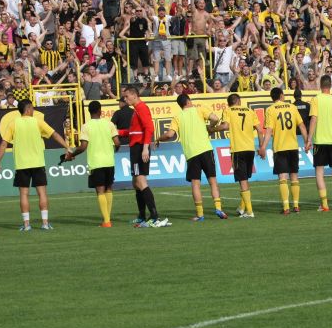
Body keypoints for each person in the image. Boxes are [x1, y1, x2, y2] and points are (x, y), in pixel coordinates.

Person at [0, 99, 71, 230]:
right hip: (37, 163)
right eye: (32, 108)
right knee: (42, 193)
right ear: (28, 109)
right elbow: (54, 135)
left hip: (22, 164)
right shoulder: (37, 121)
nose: (33, 110)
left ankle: (26, 225)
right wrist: (67, 147)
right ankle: (45, 223)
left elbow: (3, 144)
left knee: (23, 194)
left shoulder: (13, 123)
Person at [157, 94, 226, 221]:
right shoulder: (199, 109)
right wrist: (210, 127)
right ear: (188, 101)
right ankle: (219, 209)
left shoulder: (177, 117)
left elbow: (169, 135)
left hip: (192, 153)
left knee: (195, 184)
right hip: (206, 149)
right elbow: (215, 118)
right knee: (212, 180)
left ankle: (200, 214)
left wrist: (158, 139)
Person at [66, 101, 122, 227]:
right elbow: (117, 143)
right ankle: (107, 218)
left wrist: (72, 155)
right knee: (108, 189)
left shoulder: (86, 126)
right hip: (109, 161)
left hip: (96, 162)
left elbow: (83, 147)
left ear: (89, 112)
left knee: (100, 191)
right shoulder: (109, 124)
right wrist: (113, 151)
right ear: (100, 111)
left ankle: (106, 221)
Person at [119, 87, 166, 227]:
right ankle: (141, 216)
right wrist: (118, 132)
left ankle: (154, 216)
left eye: (126, 96)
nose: (125, 99)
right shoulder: (136, 110)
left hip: (139, 148)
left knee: (140, 181)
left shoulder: (142, 108)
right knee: (136, 183)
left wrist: (145, 148)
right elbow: (134, 131)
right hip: (136, 147)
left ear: (134, 95)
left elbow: (149, 128)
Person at [258, 87, 310, 214]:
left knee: (282, 177)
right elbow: (302, 126)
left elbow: (269, 130)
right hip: (293, 146)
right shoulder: (292, 107)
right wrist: (307, 141)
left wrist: (263, 147)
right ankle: (296, 206)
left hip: (280, 147)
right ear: (282, 95)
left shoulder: (270, 110)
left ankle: (286, 207)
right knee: (294, 176)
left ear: (272, 98)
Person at [213, 93, 264, 218]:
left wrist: (211, 129)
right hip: (250, 148)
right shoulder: (249, 111)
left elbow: (225, 126)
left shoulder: (228, 110)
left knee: (242, 180)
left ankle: (249, 212)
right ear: (239, 101)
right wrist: (261, 146)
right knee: (245, 179)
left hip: (238, 149)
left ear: (229, 103)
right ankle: (242, 207)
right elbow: (259, 129)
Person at [308, 74, 332, 211]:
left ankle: (324, 204)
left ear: (320, 85)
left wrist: (309, 139)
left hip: (320, 141)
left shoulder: (316, 99)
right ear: (330, 85)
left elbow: (314, 119)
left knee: (319, 172)